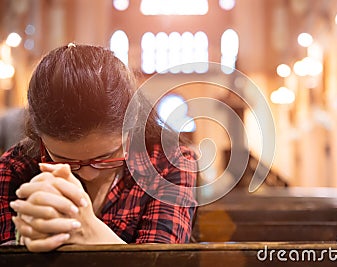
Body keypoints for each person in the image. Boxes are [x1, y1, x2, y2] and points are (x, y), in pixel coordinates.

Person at [0, 44, 197, 252]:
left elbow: (163, 261)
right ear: (39, 137)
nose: (88, 173)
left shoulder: (167, 163)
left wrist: (88, 231)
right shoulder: (14, 169)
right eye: (65, 160)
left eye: (105, 157)